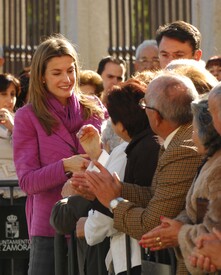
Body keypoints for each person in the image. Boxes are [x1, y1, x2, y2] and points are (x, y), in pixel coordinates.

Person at [72, 71, 202, 273]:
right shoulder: (174, 140)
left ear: (156, 117)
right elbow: (154, 194)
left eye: (144, 106)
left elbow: (151, 224)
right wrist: (116, 189)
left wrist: (113, 202)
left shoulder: (181, 150)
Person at [12, 34, 107, 275]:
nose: (67, 79)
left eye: (71, 70)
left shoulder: (93, 106)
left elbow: (114, 161)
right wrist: (66, 165)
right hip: (49, 229)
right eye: (56, 73)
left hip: (94, 222)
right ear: (41, 76)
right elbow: (27, 182)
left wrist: (98, 151)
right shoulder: (27, 116)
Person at [139, 96, 221, 274]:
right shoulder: (209, 162)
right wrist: (177, 224)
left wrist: (180, 234)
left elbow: (212, 229)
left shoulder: (216, 170)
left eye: (194, 130)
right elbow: (197, 210)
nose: (191, 137)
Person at [0, 73, 28, 275]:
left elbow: (27, 152)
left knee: (19, 255)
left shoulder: (21, 122)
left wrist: (12, 128)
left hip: (20, 194)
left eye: (13, 94)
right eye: (3, 94)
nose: (10, 100)